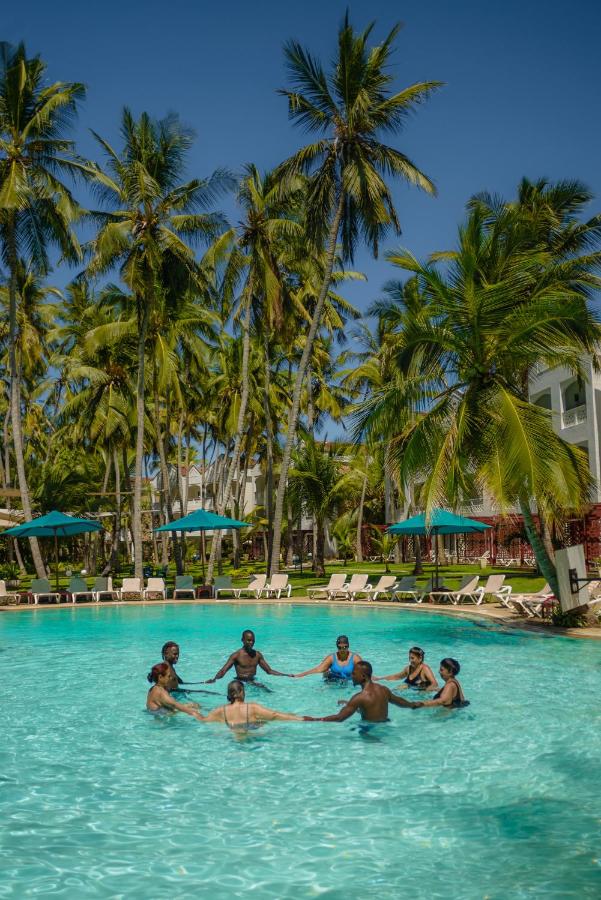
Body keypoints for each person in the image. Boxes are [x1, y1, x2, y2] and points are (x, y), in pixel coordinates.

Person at [304, 660, 419, 723]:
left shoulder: (359, 697)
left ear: (363, 676)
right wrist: (412, 705)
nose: (351, 675)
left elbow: (340, 718)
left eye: (354, 673)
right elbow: (399, 702)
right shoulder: (383, 690)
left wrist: (316, 719)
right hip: (385, 725)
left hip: (368, 732)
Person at [204, 630, 291, 689]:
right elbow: (223, 671)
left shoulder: (257, 655)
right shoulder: (236, 655)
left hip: (252, 681)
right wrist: (214, 679)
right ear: (242, 640)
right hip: (240, 682)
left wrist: (286, 675)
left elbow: (269, 671)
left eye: (253, 640)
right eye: (249, 640)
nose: (251, 643)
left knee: (268, 691)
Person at [197, 679, 303, 728]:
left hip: (231, 739)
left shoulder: (220, 711)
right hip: (252, 739)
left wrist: (191, 711)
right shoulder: (252, 707)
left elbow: (203, 720)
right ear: (241, 692)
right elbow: (275, 715)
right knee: (263, 723)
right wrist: (303, 718)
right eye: (243, 690)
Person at [293, 635, 361, 682]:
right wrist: (299, 675)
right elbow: (318, 669)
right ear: (337, 647)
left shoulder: (355, 658)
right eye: (339, 647)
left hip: (349, 683)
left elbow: (365, 672)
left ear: (348, 646)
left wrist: (371, 679)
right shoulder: (332, 658)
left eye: (344, 647)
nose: (342, 650)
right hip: (333, 683)